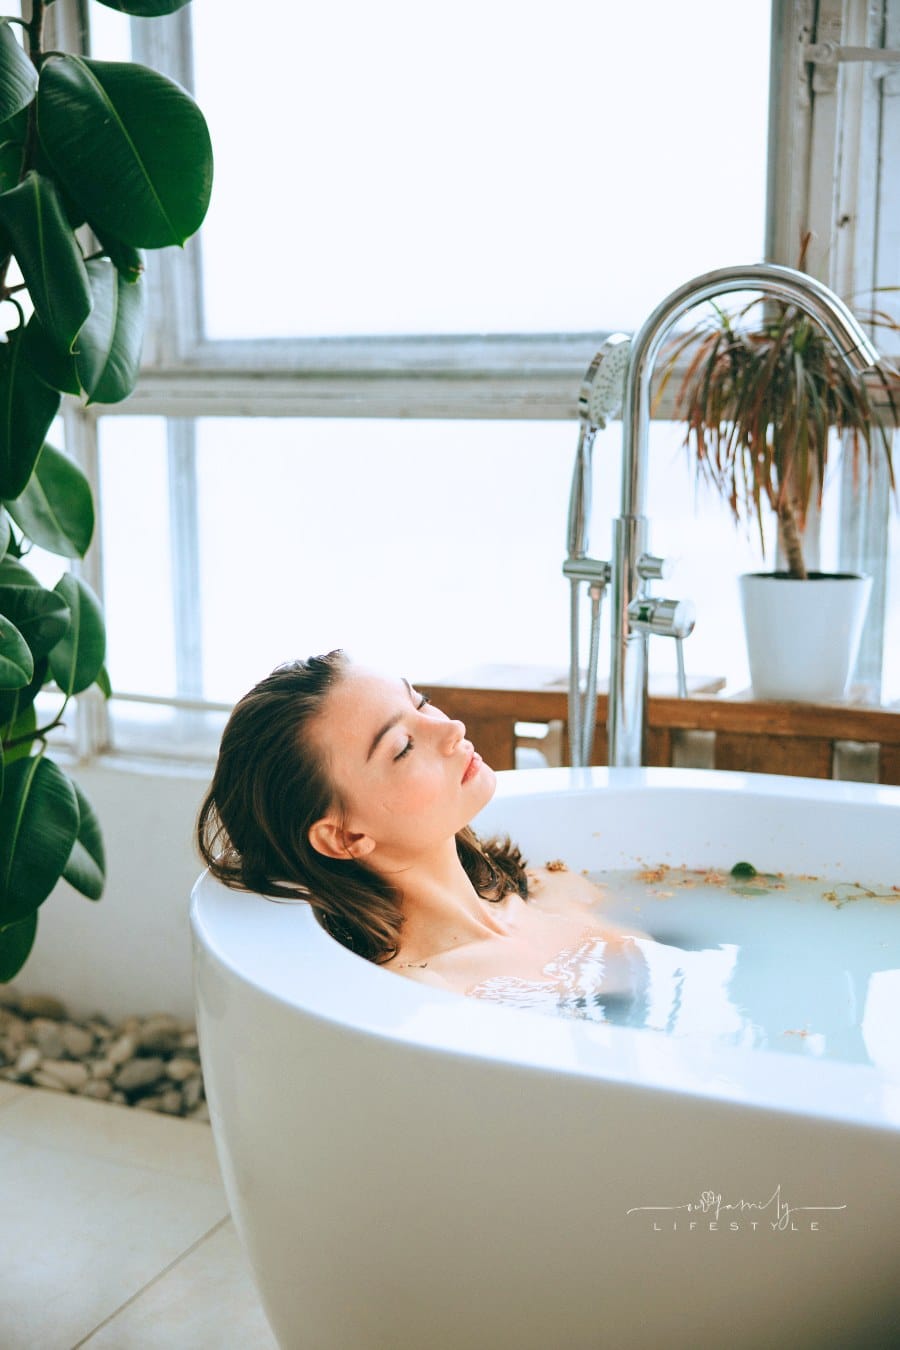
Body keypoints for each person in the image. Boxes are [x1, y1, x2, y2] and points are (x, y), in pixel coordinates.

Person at [197, 650, 648, 1002]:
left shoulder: (551, 886)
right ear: (346, 837)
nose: (453, 728)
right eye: (403, 747)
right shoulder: (428, 992)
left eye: (422, 703)